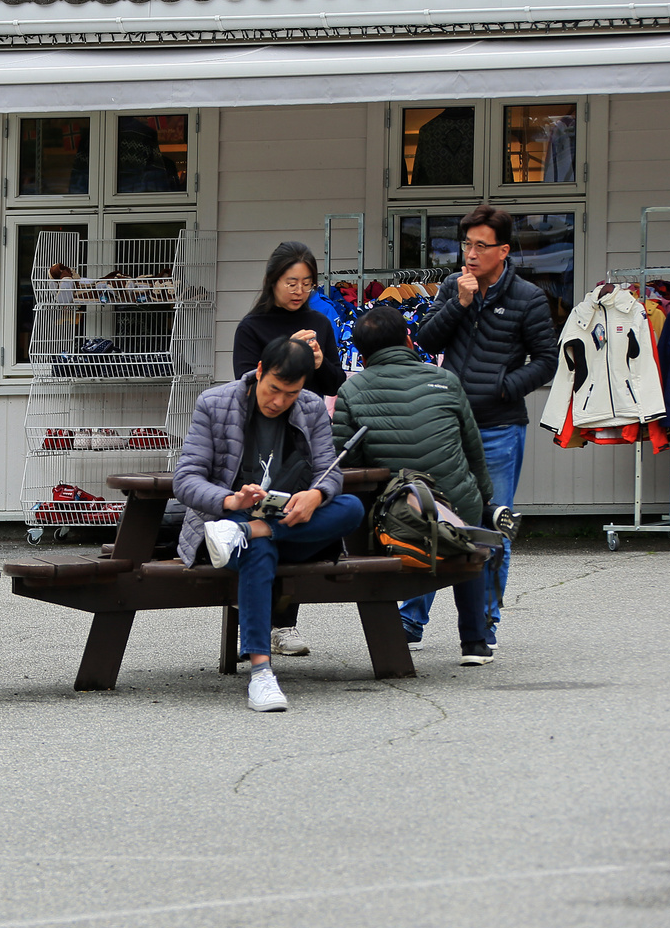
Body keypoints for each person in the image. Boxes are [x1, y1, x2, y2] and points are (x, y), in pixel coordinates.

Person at [173, 337, 364, 712]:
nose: (279, 401)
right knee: (258, 548)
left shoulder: (310, 408)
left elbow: (330, 471)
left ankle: (252, 532)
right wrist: (231, 501)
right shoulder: (216, 403)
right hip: (226, 522)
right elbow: (186, 479)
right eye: (273, 389)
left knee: (352, 507)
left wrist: (316, 495)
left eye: (290, 394)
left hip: (290, 521)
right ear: (259, 372)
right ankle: (261, 672)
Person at [412, 205, 557, 648]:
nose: (470, 255)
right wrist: (459, 303)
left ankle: (485, 625)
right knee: (426, 518)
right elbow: (427, 341)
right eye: (465, 245)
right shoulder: (454, 287)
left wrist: (505, 387)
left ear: (503, 250)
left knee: (492, 525)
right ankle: (409, 621)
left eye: (480, 246)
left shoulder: (528, 298)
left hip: (498, 426)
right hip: (447, 427)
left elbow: (547, 360)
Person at [331, 304, 497, 665]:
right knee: (467, 535)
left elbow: (346, 462)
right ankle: (475, 642)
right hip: (456, 508)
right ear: (408, 339)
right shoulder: (446, 379)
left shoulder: (353, 389)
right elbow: (473, 450)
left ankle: (400, 628)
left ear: (361, 352)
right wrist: (483, 499)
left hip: (398, 517)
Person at [230, 241, 346, 658]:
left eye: (307, 283)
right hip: (260, 439)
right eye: (290, 282)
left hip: (306, 434)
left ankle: (285, 623)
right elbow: (242, 381)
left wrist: (315, 362)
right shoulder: (253, 325)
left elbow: (336, 383)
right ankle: (261, 618)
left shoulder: (321, 320)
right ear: (273, 281)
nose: (299, 291)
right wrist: (285, 356)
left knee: (299, 510)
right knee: (266, 509)